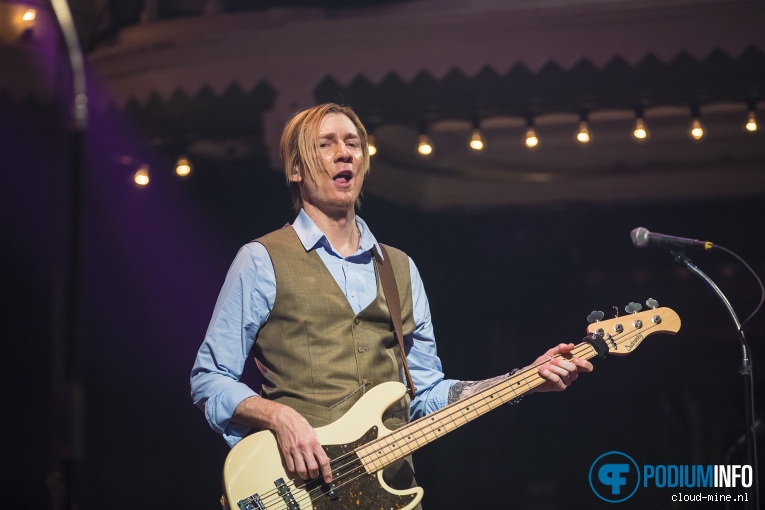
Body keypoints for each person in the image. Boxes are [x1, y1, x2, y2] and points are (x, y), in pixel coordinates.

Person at [190, 103, 593, 496]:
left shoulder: (400, 267)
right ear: (296, 169)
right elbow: (209, 379)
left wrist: (520, 382)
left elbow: (426, 394)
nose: (344, 153)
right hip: (302, 491)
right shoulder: (262, 259)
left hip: (392, 491)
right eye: (326, 144)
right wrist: (278, 417)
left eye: (353, 143)